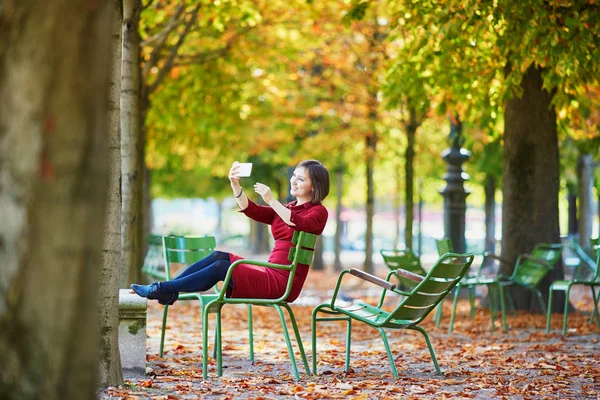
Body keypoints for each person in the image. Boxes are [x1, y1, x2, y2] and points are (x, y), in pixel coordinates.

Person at [131, 159, 330, 305]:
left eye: (301, 179)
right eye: (294, 175)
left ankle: (163, 290)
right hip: (269, 272)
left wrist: (271, 200)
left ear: (315, 187)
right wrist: (235, 185)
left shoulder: (318, 212)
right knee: (219, 255)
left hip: (282, 282)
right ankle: (167, 289)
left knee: (221, 266)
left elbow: (298, 223)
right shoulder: (289, 207)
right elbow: (253, 210)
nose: (293, 181)